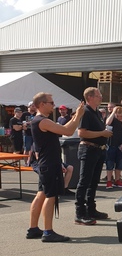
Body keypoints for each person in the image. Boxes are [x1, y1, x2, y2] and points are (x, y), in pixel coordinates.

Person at [27, 94, 85, 242]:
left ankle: (33, 228)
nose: (54, 105)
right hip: (49, 164)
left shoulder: (39, 121)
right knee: (50, 196)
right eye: (51, 102)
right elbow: (67, 131)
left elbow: (65, 128)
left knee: (41, 193)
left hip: (48, 162)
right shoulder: (43, 121)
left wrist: (74, 117)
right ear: (41, 104)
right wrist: (77, 116)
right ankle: (48, 231)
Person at [75, 87, 113, 225]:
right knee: (84, 182)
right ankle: (79, 213)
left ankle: (91, 209)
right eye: (98, 95)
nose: (101, 97)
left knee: (93, 182)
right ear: (90, 97)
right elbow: (82, 133)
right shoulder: (85, 111)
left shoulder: (96, 112)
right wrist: (102, 133)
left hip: (98, 150)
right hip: (88, 149)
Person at [105, 106, 122, 189]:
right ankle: (109, 181)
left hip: (120, 145)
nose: (119, 118)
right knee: (109, 163)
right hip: (111, 144)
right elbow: (107, 122)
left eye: (121, 116)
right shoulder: (113, 120)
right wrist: (113, 112)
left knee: (119, 164)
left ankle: (117, 180)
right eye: (118, 116)